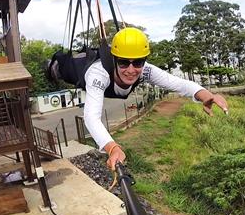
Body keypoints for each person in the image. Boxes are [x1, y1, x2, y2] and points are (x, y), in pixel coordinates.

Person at [83, 27, 229, 171]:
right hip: (76, 72)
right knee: (62, 67)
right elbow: (91, 117)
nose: (131, 70)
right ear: (114, 59)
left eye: (138, 62)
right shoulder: (98, 74)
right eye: (123, 62)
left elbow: (179, 83)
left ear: (144, 60)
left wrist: (207, 96)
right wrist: (112, 148)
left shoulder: (146, 71)